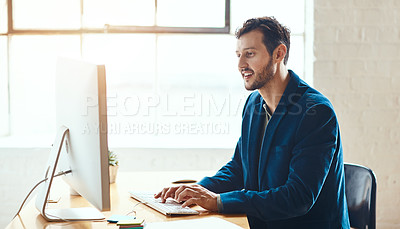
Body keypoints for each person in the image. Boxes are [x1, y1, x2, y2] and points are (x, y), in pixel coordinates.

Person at [155, 16, 350, 228]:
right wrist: (194, 191)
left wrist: (218, 201)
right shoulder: (254, 103)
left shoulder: (316, 113)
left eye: (250, 54)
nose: (240, 65)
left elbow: (298, 197)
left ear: (279, 53)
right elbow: (239, 168)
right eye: (239, 55)